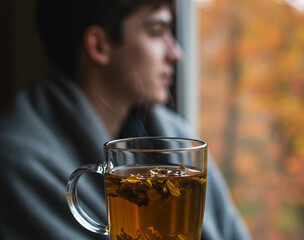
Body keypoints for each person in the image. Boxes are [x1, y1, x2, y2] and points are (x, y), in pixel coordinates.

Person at [0, 0, 251, 239]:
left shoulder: (175, 137)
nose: (176, 53)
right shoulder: (19, 162)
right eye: (156, 31)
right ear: (99, 45)